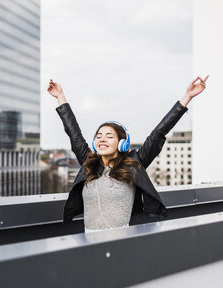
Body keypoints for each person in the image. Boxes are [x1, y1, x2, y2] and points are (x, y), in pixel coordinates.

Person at [47, 75, 209, 232]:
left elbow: (159, 132)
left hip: (122, 245)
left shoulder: (133, 164)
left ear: (122, 143)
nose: (102, 139)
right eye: (99, 136)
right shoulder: (88, 164)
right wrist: (60, 97)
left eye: (109, 136)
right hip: (89, 245)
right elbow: (73, 132)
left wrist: (187, 97)